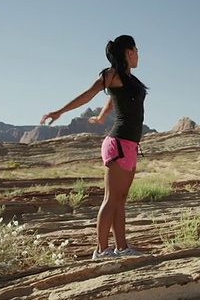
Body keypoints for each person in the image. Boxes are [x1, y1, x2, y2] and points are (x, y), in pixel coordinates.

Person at [41, 35, 148, 260]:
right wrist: (59, 111)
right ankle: (101, 250)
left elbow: (112, 100)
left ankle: (122, 248)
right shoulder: (111, 74)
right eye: (136, 50)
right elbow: (88, 95)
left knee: (120, 199)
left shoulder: (129, 79)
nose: (138, 54)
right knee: (111, 198)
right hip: (117, 143)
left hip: (130, 145)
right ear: (129, 52)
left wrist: (101, 117)